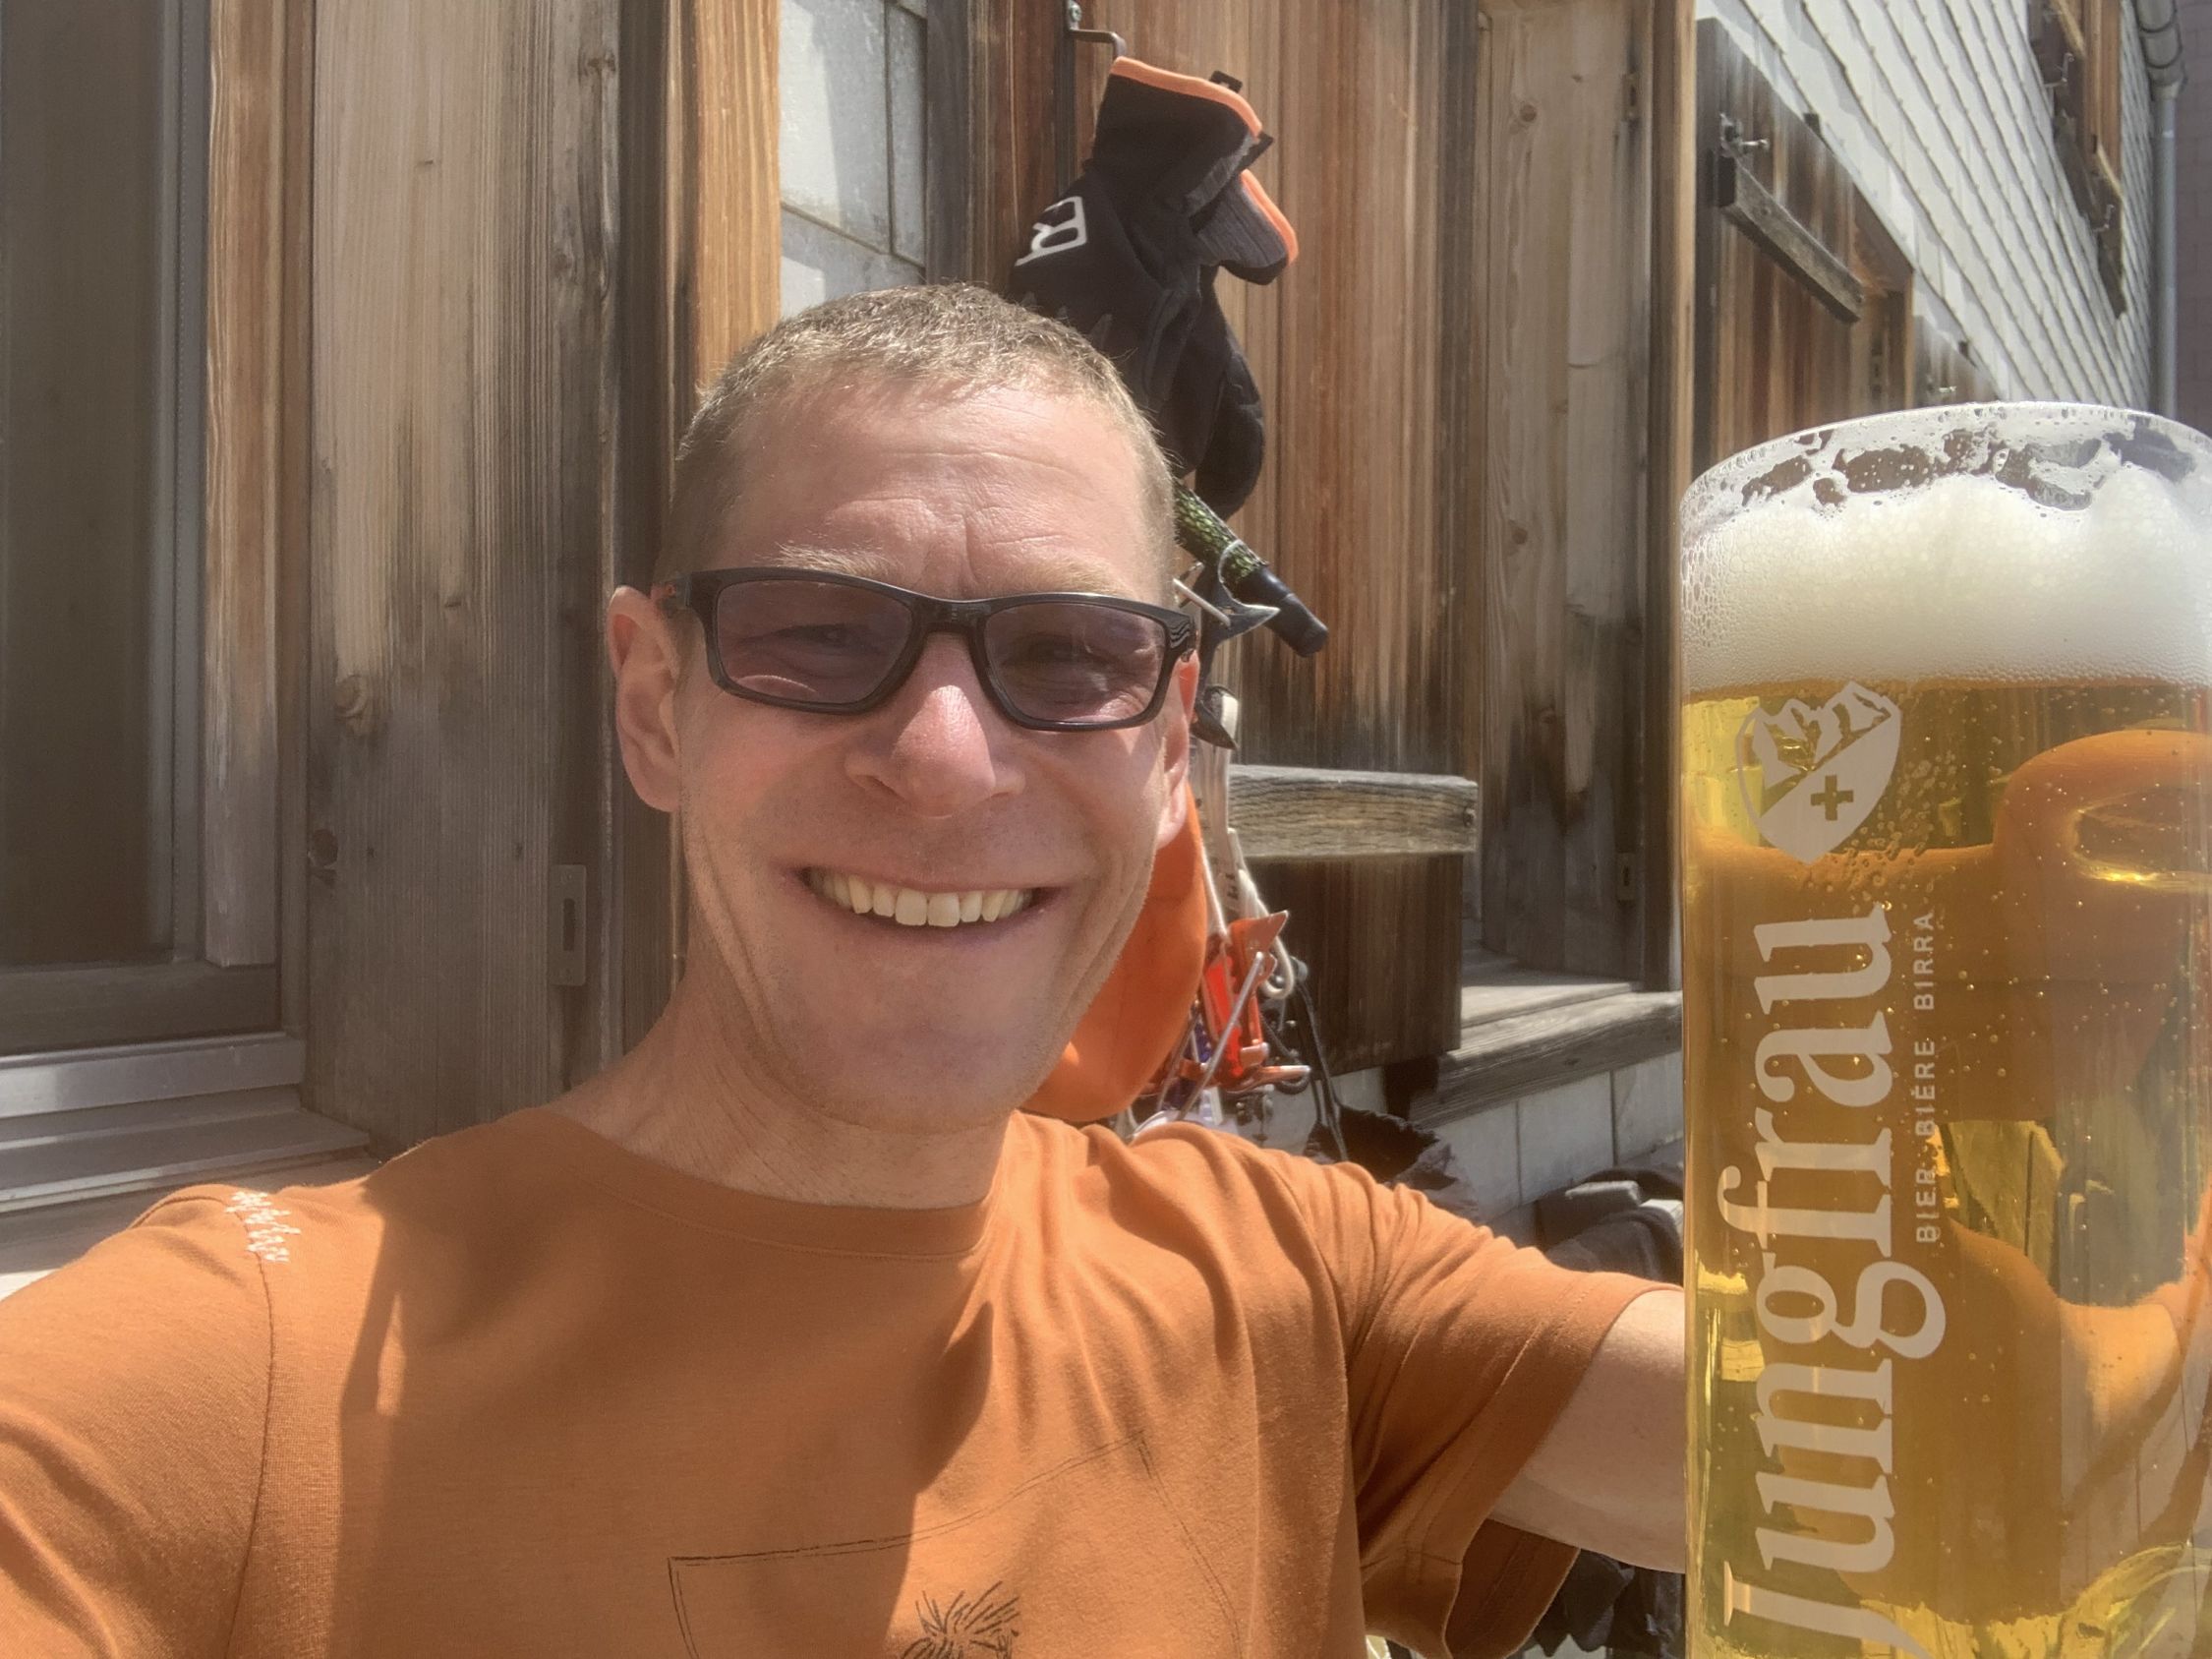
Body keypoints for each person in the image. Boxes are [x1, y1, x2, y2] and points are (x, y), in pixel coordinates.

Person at [0, 284, 1684, 1658]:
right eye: (817, 633)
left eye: (1069, 656)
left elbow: (1834, 1444)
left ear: (1170, 749)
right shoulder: (245, 1381)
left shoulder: (1295, 1286)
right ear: (654, 704)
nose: (944, 760)